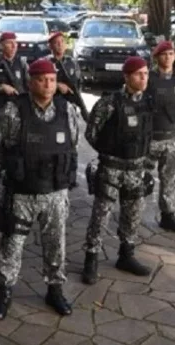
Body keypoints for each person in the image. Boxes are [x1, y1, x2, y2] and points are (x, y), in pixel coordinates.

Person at [0, 58, 79, 318]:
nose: (48, 85)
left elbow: (73, 144)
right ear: (31, 82)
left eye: (51, 79)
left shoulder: (67, 111)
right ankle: (5, 292)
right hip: (21, 193)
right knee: (12, 246)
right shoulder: (12, 112)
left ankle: (55, 289)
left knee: (55, 244)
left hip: (55, 192)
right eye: (41, 79)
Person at [82, 56, 152, 285]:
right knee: (101, 215)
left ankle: (126, 254)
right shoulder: (109, 103)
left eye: (146, 74)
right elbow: (91, 133)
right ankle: (91, 257)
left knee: (133, 215)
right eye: (139, 74)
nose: (144, 78)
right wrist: (110, 150)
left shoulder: (147, 102)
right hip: (112, 168)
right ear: (127, 76)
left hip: (136, 169)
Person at [0, 31, 27, 212]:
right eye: (9, 43)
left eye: (15, 43)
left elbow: (28, 87)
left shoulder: (21, 64)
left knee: (15, 157)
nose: (13, 46)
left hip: (18, 118)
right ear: (1, 46)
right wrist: (1, 87)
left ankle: (13, 198)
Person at [147, 41, 175, 231]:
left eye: (171, 53)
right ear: (156, 57)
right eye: (164, 54)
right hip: (150, 139)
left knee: (169, 179)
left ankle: (167, 214)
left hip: (171, 138)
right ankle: (131, 215)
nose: (168, 57)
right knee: (141, 179)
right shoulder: (147, 78)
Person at [45, 32, 82, 110]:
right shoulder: (45, 63)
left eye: (62, 41)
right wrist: (57, 85)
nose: (60, 45)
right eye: (56, 42)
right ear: (50, 46)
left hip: (70, 103)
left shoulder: (72, 62)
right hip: (51, 105)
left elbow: (79, 82)